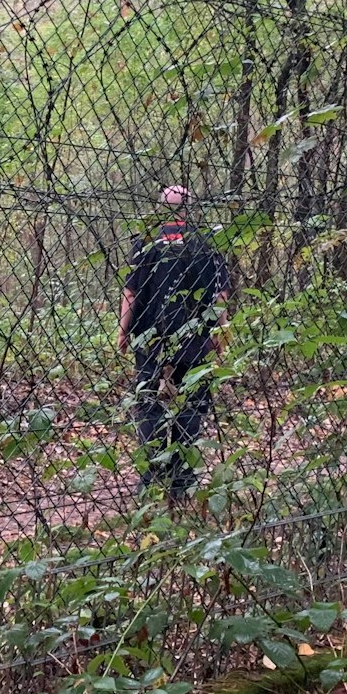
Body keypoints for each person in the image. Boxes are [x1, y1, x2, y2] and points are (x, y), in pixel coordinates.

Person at [117, 185, 232, 501]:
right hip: (195, 340)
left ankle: (152, 476)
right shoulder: (205, 242)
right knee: (192, 405)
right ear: (188, 209)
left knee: (149, 405)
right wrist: (222, 332)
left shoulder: (144, 243)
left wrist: (123, 331)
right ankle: (182, 478)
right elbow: (220, 294)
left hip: (150, 338)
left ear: (160, 208)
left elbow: (131, 291)